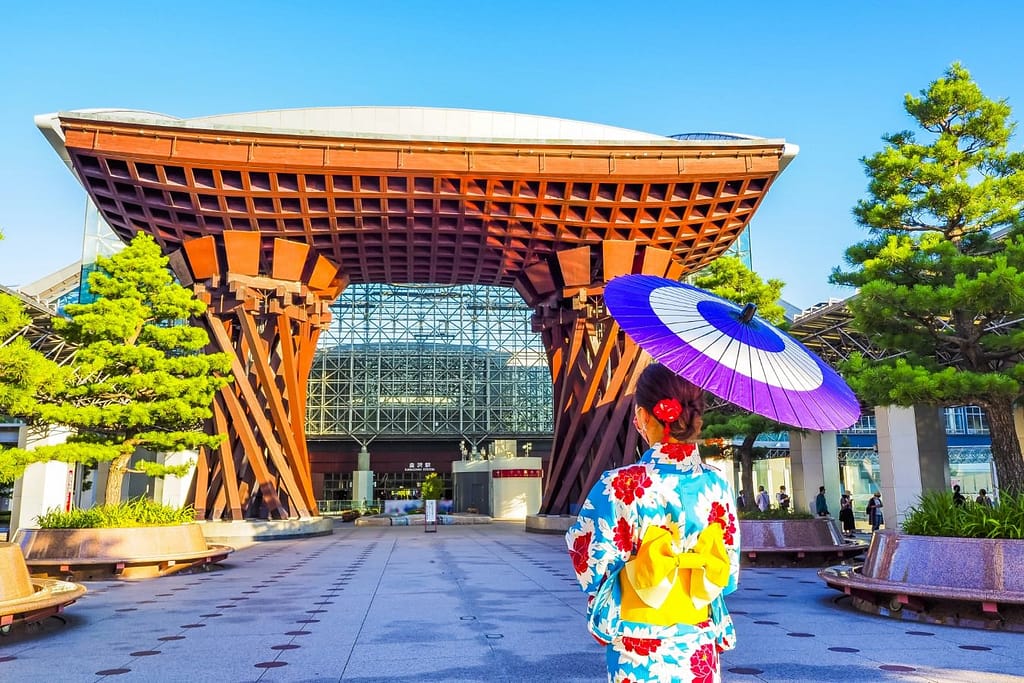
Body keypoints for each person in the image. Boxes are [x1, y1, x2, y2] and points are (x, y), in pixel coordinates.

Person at [566, 363, 740, 682]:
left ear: (645, 417)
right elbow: (727, 576)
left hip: (638, 642)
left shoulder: (618, 486)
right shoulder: (717, 485)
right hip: (698, 640)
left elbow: (589, 567)